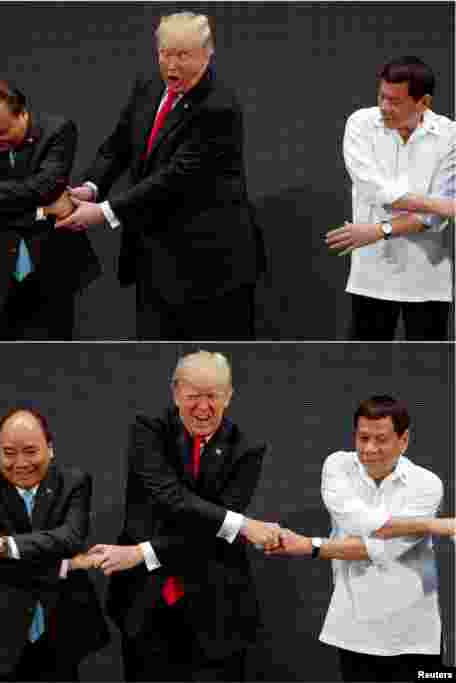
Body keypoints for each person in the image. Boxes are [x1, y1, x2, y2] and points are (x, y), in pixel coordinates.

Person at [57, 12, 264, 340]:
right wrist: (92, 188)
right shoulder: (148, 85)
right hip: (154, 258)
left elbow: (174, 179)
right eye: (165, 54)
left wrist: (104, 212)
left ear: (207, 54)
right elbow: (119, 143)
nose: (171, 65)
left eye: (183, 55)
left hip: (211, 265)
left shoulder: (218, 107)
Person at [87, 351, 280, 681]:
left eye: (213, 396)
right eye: (193, 396)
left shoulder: (247, 449)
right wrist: (243, 525)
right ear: (176, 393)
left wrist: (141, 553)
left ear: (229, 395)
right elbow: (172, 497)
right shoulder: (148, 431)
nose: (203, 408)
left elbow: (208, 531)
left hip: (216, 608)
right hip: (145, 603)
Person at [265, 395, 446, 682]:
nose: (369, 449)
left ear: (404, 440)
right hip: (354, 631)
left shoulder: (427, 484)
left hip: (415, 634)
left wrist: (311, 545)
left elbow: (384, 549)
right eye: (363, 438)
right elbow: (355, 522)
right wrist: (432, 525)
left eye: (381, 439)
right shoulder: (337, 466)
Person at [0, 408, 110, 681]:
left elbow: (70, 537)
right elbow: (6, 566)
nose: (20, 463)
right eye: (9, 453)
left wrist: (2, 544)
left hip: (60, 631)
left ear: (50, 449)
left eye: (31, 451)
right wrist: (71, 564)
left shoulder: (74, 483)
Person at [0, 80, 100, 339]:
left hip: (51, 270)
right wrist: (46, 211)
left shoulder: (57, 131)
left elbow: (46, 187)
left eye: (1, 132)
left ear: (22, 114)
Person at [326, 57, 455, 340]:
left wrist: (379, 230)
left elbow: (434, 221)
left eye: (395, 101)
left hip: (428, 278)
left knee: (428, 368)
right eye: (382, 97)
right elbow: (374, 190)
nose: (384, 107)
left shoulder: (449, 136)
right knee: (364, 367)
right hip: (371, 275)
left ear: (423, 103)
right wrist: (442, 204)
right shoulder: (361, 124)